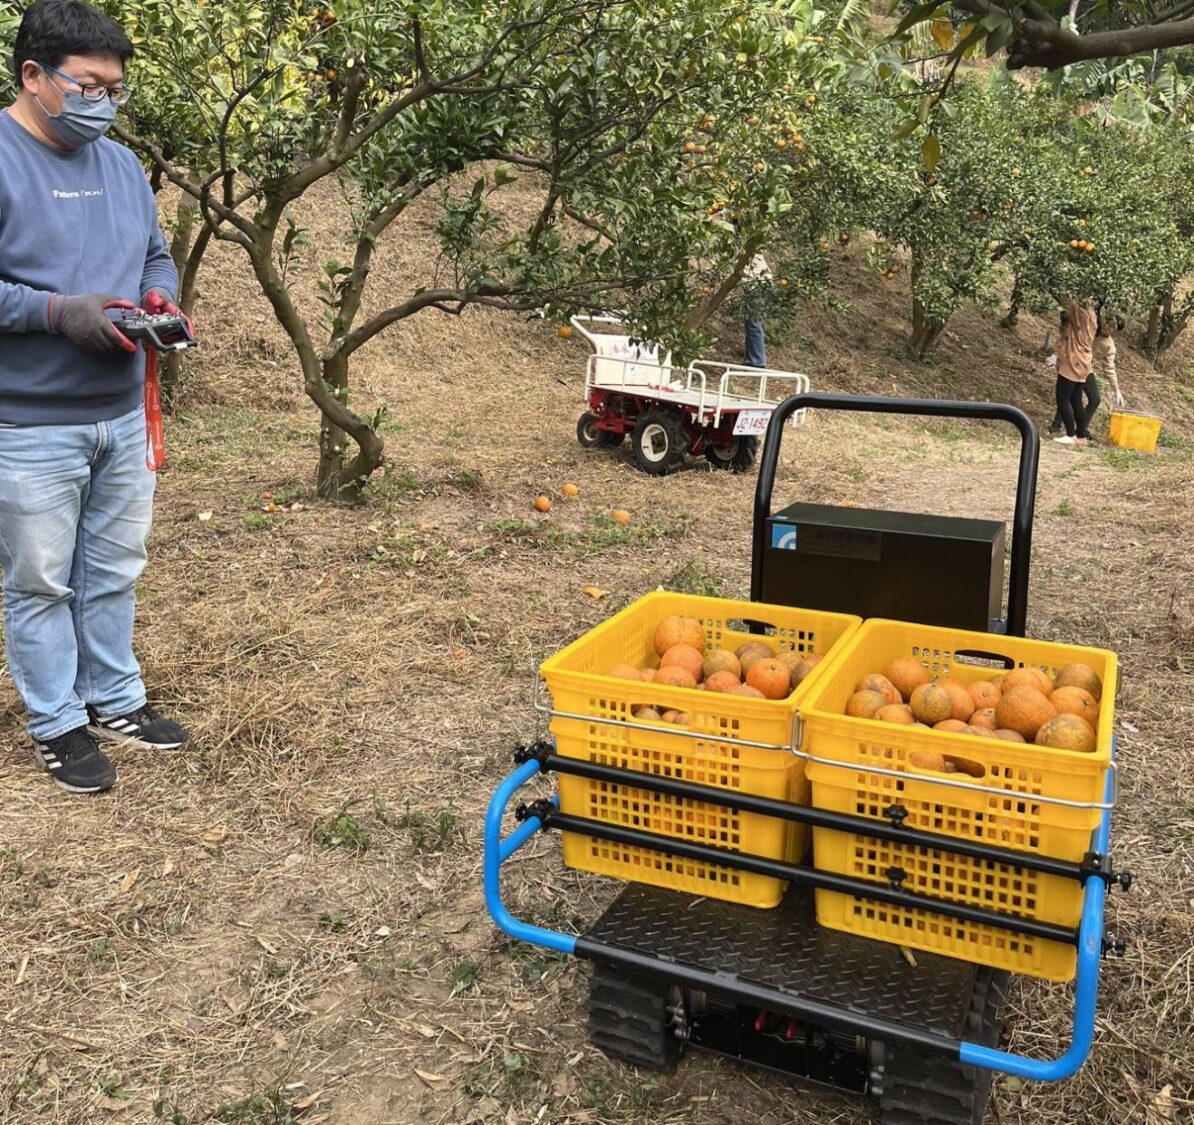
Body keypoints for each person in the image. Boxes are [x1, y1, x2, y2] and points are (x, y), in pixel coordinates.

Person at [0, 0, 189, 793]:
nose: (103, 103)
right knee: (40, 580)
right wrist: (57, 312)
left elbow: (153, 253)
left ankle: (114, 697)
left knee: (113, 568)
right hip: (29, 421)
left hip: (120, 412)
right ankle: (56, 722)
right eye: (88, 86)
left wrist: (159, 300)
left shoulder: (117, 164)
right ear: (33, 75)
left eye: (115, 90)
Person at [1052, 296, 1097, 445]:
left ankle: (1071, 434)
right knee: (1076, 399)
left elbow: (1065, 300)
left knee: (1063, 398)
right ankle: (1081, 436)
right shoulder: (1093, 316)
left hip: (1073, 361)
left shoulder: (1079, 313)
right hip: (1084, 362)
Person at [742, 252, 770, 367]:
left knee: (754, 324)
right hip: (757, 287)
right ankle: (752, 358)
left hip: (757, 288)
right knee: (753, 324)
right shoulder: (750, 252)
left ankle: (757, 361)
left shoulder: (749, 253)